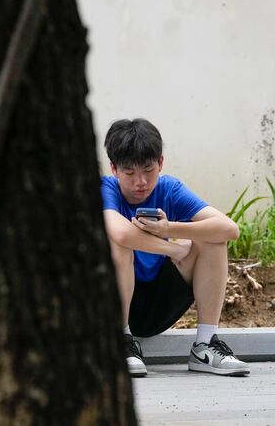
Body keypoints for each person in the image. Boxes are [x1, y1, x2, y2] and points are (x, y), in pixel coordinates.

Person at [101, 118, 249, 377]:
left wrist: (169, 229)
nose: (141, 182)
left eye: (148, 170)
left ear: (160, 162)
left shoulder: (170, 189)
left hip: (161, 302)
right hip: (115, 303)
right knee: (117, 243)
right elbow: (121, 233)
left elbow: (229, 229)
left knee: (211, 238)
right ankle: (121, 342)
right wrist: (172, 249)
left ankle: (205, 345)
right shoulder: (106, 188)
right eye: (129, 172)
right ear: (114, 169)